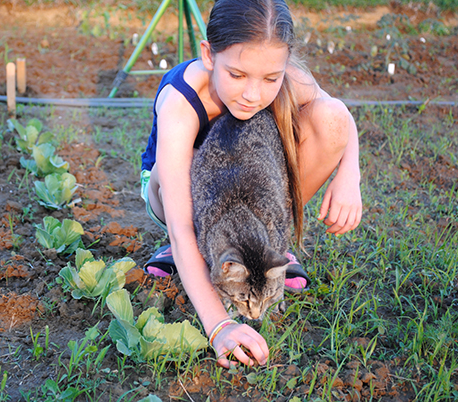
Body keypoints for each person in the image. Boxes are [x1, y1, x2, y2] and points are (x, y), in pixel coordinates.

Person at [139, 0, 362, 368]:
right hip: (174, 193)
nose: (253, 94)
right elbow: (180, 226)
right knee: (181, 170)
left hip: (247, 190)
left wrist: (349, 173)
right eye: (238, 75)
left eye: (271, 79)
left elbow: (338, 113)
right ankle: (201, 255)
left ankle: (264, 250)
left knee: (330, 118)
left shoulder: (284, 76)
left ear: (283, 64)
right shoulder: (183, 101)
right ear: (209, 55)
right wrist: (219, 326)